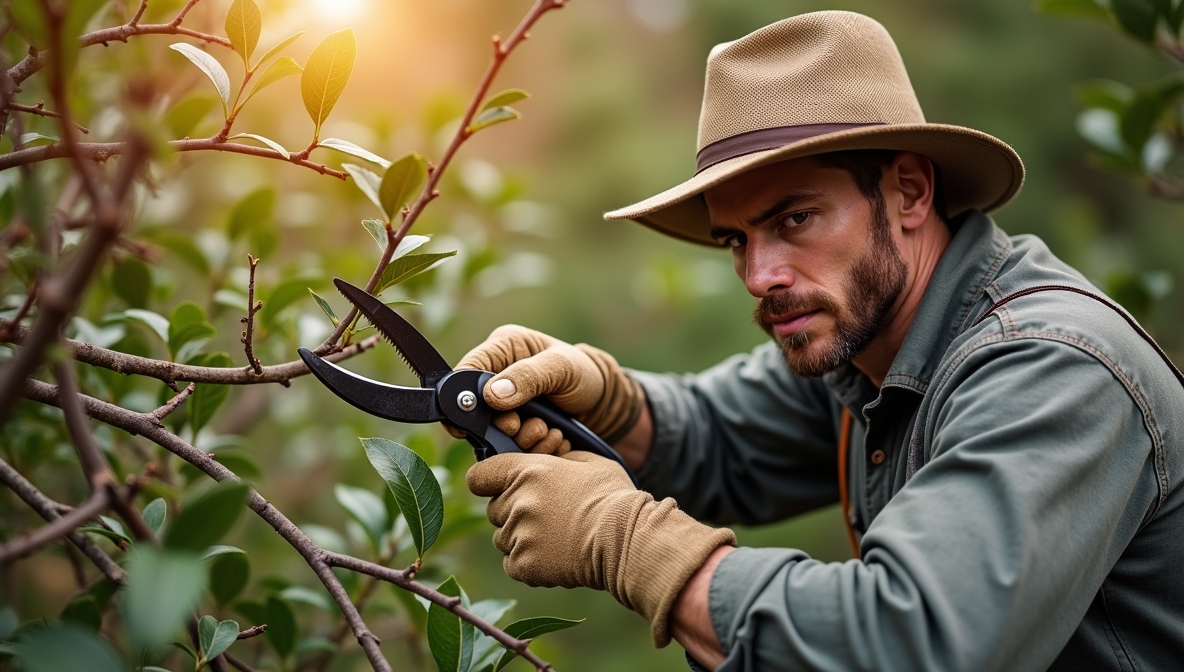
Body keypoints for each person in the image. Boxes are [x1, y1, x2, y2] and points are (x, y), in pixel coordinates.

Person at [456, 11, 1184, 672]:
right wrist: (607, 399)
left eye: (795, 219)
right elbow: (720, 437)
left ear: (908, 191)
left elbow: (913, 643)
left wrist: (625, 543)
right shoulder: (870, 341)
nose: (759, 275)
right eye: (736, 240)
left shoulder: (1051, 367)